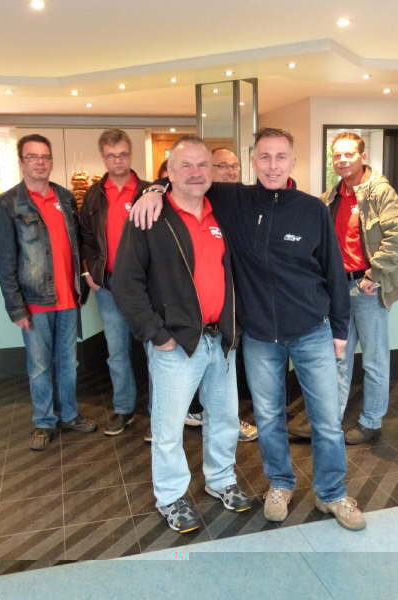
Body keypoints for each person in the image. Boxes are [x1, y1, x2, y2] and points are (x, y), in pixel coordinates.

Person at [132, 127, 366, 531]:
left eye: (281, 157)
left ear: (293, 161)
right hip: (258, 336)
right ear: (252, 161)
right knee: (269, 418)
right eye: (265, 157)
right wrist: (153, 190)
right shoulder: (232, 199)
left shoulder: (312, 209)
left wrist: (340, 330)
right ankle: (280, 484)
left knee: (327, 420)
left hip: (312, 330)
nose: (272, 166)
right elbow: (187, 177)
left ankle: (332, 493)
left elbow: (333, 269)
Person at [111, 135, 251, 533]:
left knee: (224, 419)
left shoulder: (222, 212)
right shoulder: (149, 217)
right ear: (168, 173)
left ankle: (221, 480)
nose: (195, 173)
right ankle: (171, 497)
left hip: (221, 339)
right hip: (175, 342)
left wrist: (233, 326)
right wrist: (157, 334)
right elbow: (125, 282)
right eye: (185, 165)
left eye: (203, 165)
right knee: (168, 429)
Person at [293, 132, 398, 444]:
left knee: (374, 361)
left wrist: (374, 275)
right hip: (337, 290)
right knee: (338, 358)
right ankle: (328, 421)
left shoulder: (379, 192)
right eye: (337, 155)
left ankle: (371, 422)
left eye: (349, 154)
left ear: (362, 156)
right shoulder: (331, 197)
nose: (342, 160)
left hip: (367, 290)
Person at [0, 134, 96, 450]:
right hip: (34, 302)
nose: (40, 162)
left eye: (45, 156)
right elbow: (4, 260)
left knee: (68, 363)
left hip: (68, 299)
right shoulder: (8, 203)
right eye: (32, 157)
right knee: (39, 367)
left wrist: (82, 282)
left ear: (51, 161)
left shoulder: (65, 197)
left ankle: (69, 414)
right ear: (21, 162)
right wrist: (16, 307)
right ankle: (43, 421)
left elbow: (76, 245)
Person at [185, 146, 258, 443]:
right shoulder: (199, 199)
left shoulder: (244, 198)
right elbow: (166, 182)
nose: (230, 171)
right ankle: (203, 413)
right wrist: (152, 190)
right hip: (204, 304)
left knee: (229, 363)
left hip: (240, 296)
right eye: (222, 165)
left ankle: (224, 417)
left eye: (234, 165)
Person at [80, 129, 150, 436]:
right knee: (117, 352)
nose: (117, 160)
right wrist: (89, 273)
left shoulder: (149, 192)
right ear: (103, 157)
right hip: (108, 287)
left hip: (146, 288)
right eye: (111, 156)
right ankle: (124, 409)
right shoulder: (94, 195)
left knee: (155, 352)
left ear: (130, 154)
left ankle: (159, 413)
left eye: (122, 154)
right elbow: (85, 238)